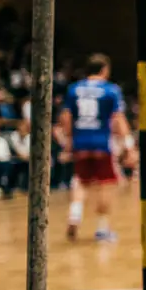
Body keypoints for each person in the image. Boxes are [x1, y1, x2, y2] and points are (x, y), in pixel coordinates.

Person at [56, 53, 133, 242]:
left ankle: (74, 216)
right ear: (104, 70)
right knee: (106, 184)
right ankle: (102, 228)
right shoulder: (111, 90)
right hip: (102, 144)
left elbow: (66, 117)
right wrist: (129, 146)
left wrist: (68, 142)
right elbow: (118, 119)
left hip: (80, 142)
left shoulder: (74, 89)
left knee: (81, 181)